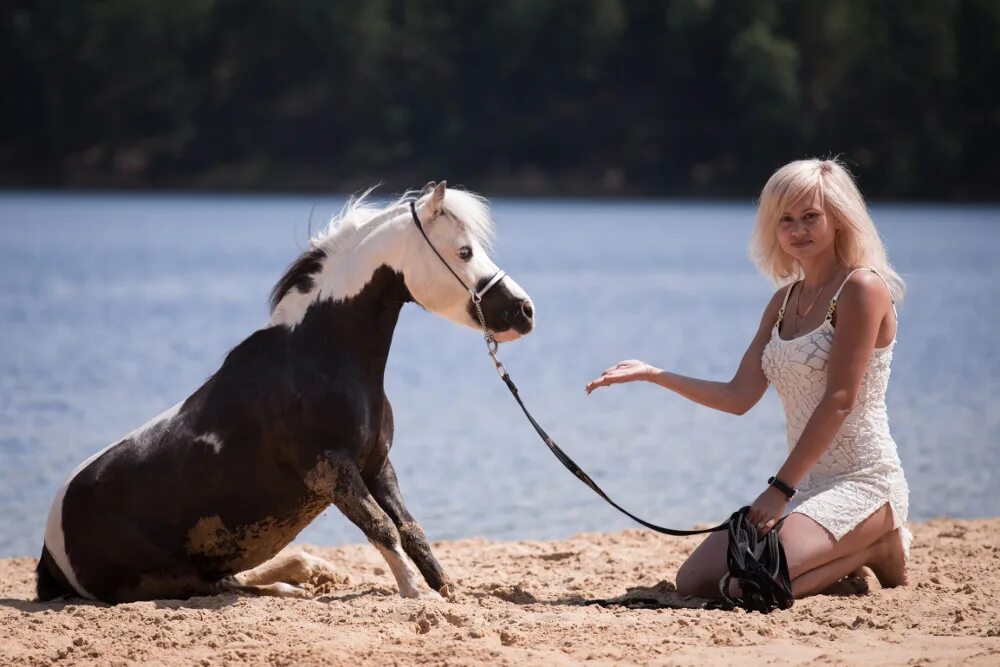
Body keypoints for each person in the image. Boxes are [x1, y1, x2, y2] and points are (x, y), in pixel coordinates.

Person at [585, 158, 909, 599]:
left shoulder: (861, 288)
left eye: (810, 216)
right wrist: (654, 374)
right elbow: (739, 396)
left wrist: (778, 490)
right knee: (694, 581)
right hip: (807, 486)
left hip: (864, 483)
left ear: (838, 218)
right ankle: (852, 551)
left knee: (747, 588)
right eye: (786, 220)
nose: (798, 230)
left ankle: (877, 544)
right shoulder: (782, 301)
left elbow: (839, 399)